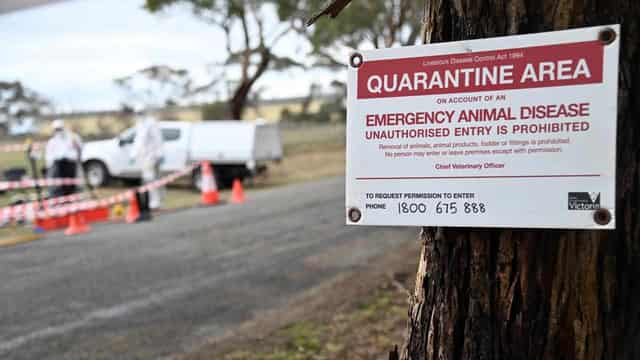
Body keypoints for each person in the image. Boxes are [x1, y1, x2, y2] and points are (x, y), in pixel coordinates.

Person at [130, 113, 164, 221]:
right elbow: (137, 141)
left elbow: (157, 139)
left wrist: (159, 154)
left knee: (152, 180)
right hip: (143, 157)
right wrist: (133, 154)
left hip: (152, 156)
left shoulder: (151, 123)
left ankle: (156, 203)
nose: (139, 115)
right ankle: (153, 203)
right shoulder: (139, 124)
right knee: (148, 181)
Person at [45, 120, 82, 197]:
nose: (58, 131)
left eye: (60, 129)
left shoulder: (73, 137)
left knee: (71, 185)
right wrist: (49, 166)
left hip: (71, 164)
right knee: (59, 186)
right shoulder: (52, 141)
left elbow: (79, 148)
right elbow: (49, 156)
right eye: (56, 129)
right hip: (57, 166)